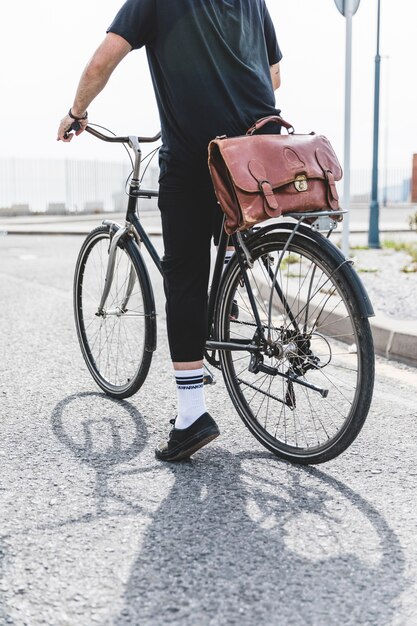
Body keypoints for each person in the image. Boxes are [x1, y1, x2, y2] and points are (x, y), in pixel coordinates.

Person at [57, 0, 282, 462]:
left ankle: (191, 416)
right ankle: (222, 313)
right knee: (228, 247)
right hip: (257, 148)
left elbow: (104, 59)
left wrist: (77, 111)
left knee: (183, 277)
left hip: (197, 155)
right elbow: (274, 75)